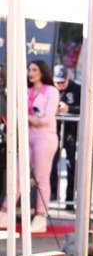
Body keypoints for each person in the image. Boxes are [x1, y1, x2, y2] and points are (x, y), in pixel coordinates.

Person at [0, 60, 59, 234]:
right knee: (16, 174)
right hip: (26, 137)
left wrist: (27, 118)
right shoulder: (25, 92)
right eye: (29, 69)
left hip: (44, 138)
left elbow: (46, 119)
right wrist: (29, 119)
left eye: (34, 69)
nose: (31, 72)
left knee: (41, 177)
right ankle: (5, 212)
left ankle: (40, 216)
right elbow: (18, 115)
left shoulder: (51, 91)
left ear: (42, 71)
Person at [50, 64, 81, 209]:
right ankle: (52, 196)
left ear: (68, 78)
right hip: (53, 132)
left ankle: (70, 200)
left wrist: (69, 108)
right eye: (57, 82)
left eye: (62, 82)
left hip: (71, 133)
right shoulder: (50, 89)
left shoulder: (77, 89)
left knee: (70, 165)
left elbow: (84, 108)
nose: (60, 85)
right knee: (52, 164)